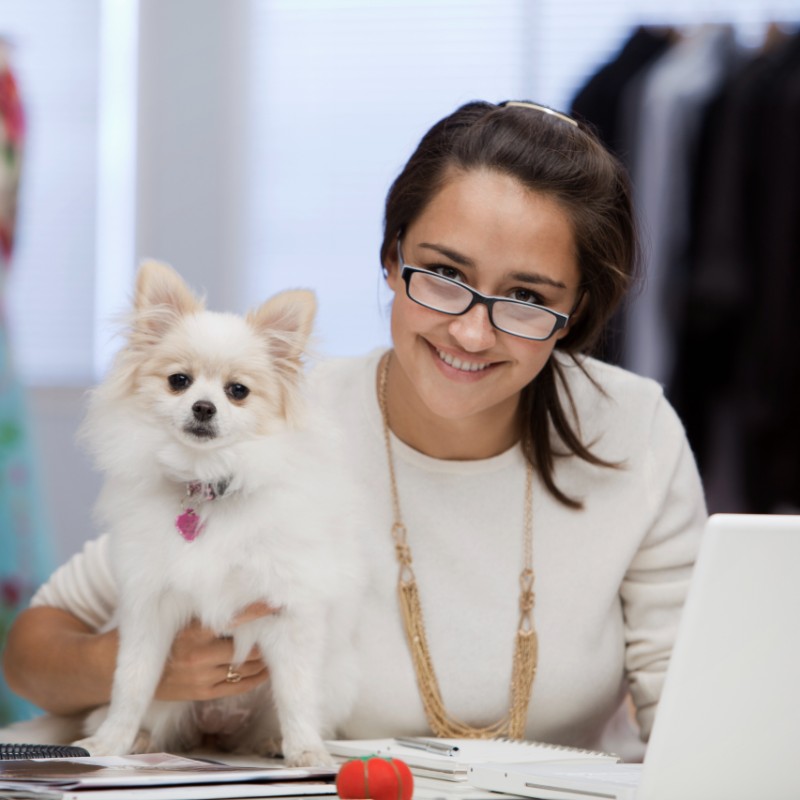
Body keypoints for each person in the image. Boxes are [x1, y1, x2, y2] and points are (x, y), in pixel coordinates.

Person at [2, 100, 706, 757]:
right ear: (392, 260)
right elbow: (35, 651)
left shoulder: (631, 429)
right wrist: (155, 669)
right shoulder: (275, 421)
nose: (470, 328)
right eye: (442, 273)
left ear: (577, 311)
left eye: (525, 298)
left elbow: (693, 700)